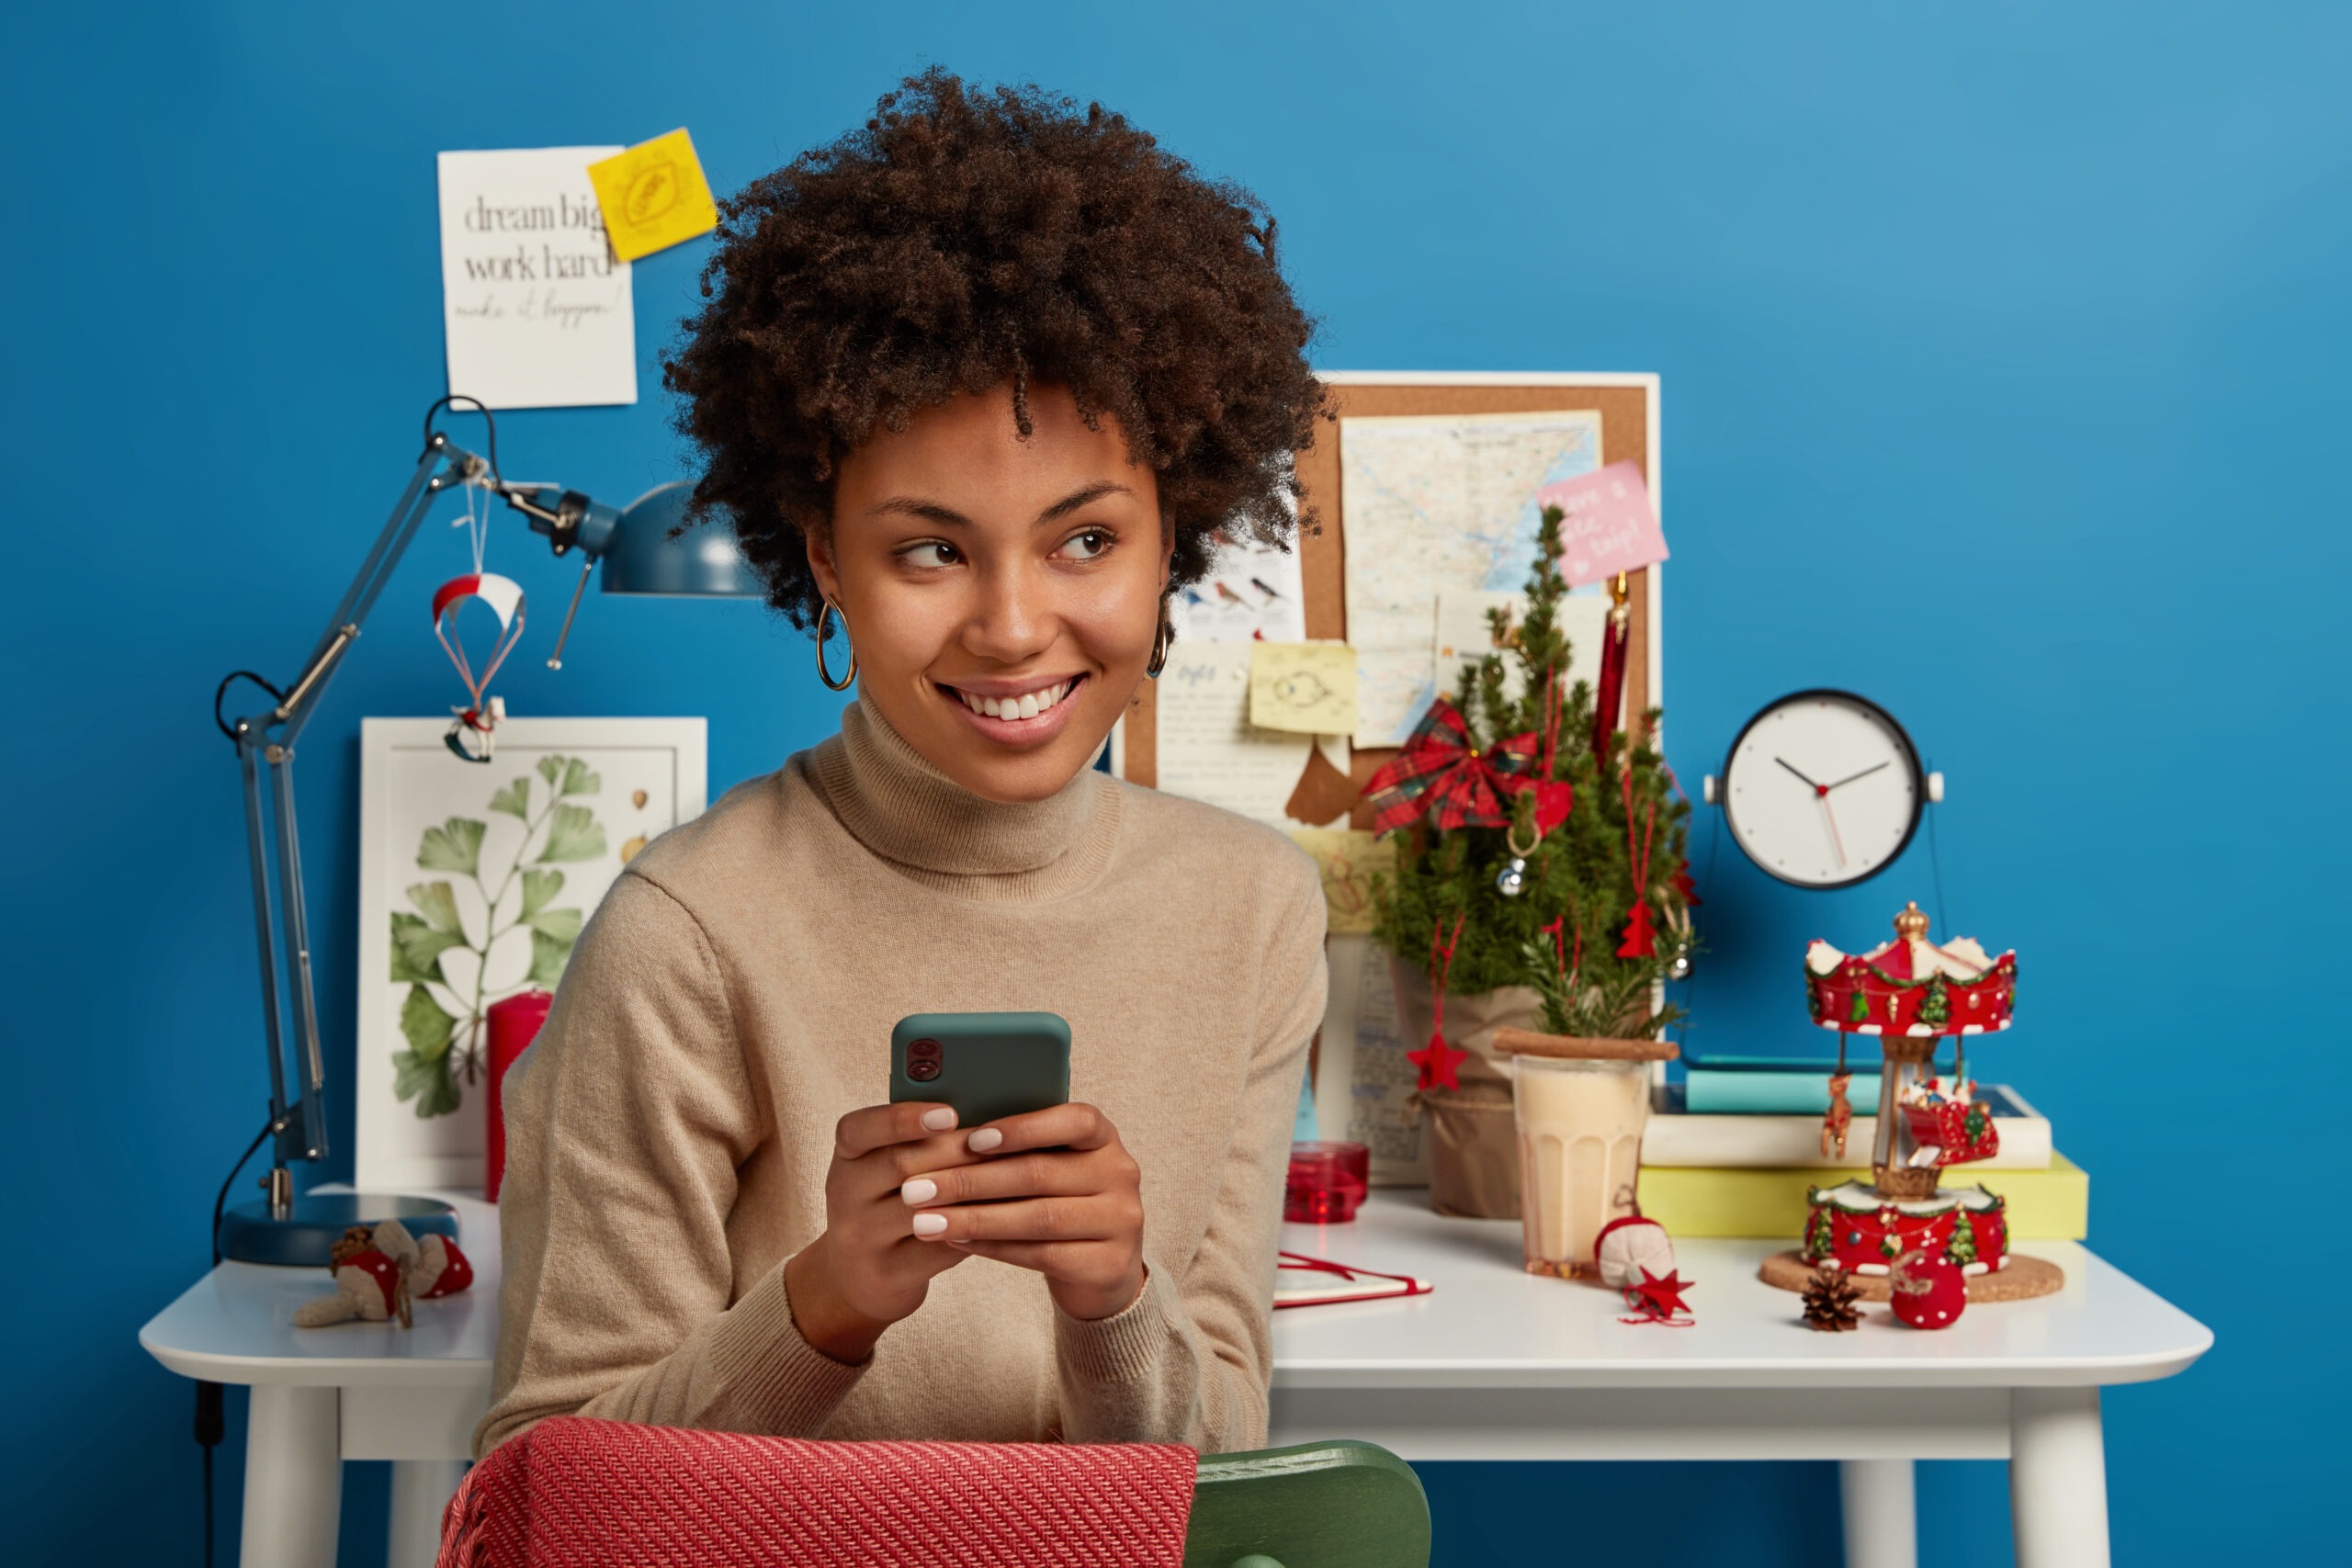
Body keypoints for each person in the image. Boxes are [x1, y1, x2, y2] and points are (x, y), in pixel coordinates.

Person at [478, 70, 1329, 1456]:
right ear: (826, 559)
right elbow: (547, 1475)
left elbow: (1215, 1451)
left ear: (1177, 538)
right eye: (930, 549)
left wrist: (1111, 1297)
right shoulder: (685, 937)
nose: (1010, 626)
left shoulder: (1255, 910)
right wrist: (821, 1307)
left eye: (1088, 540)